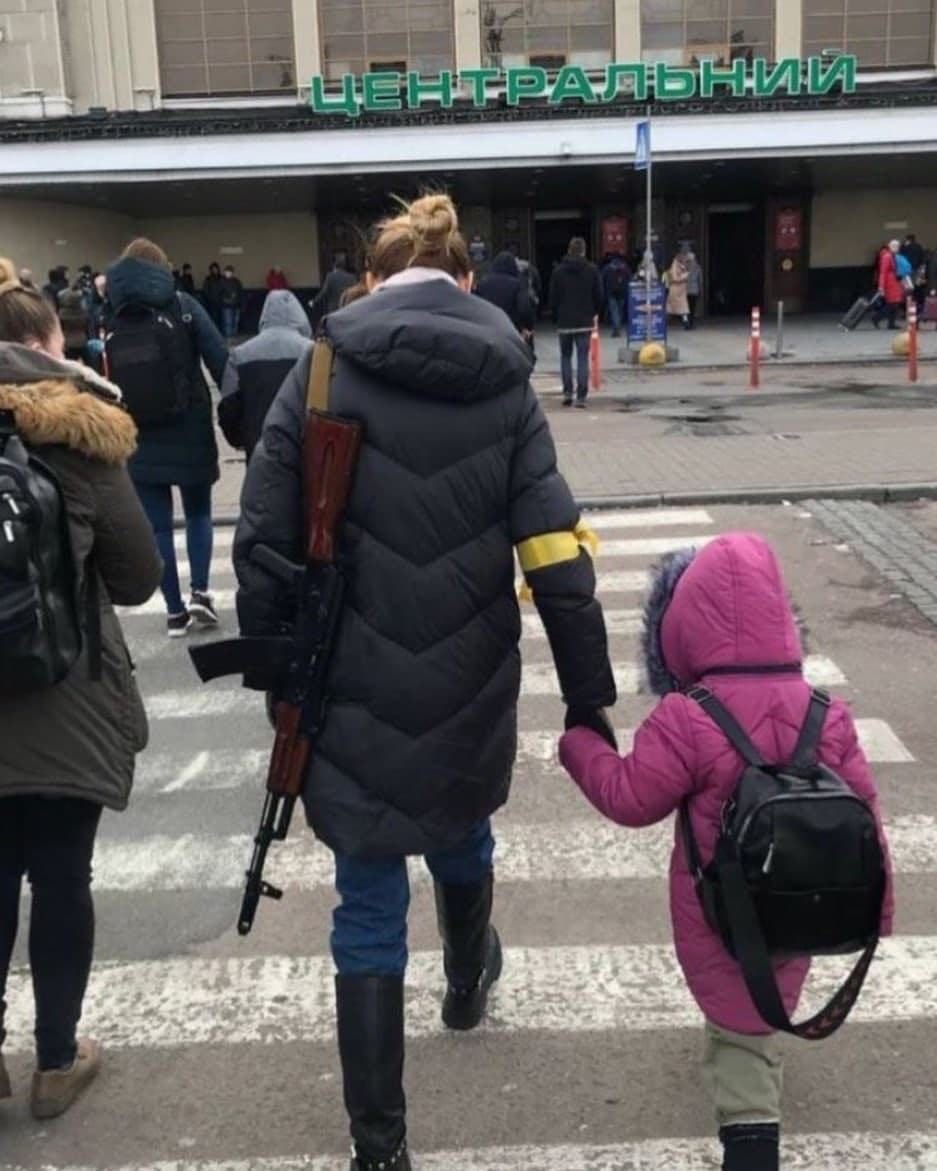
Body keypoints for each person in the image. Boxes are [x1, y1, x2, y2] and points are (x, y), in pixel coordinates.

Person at [234, 193, 615, 1171]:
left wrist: (278, 683)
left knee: (365, 902)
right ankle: (463, 980)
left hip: (343, 677)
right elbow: (555, 555)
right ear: (464, 279)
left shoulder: (321, 369)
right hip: (468, 667)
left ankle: (380, 1147)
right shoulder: (508, 386)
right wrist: (588, 696)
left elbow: (263, 541)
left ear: (374, 277)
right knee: (460, 827)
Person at [559, 532, 894, 1171]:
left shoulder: (690, 716)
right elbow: (867, 820)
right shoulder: (827, 712)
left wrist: (581, 745)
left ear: (683, 628)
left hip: (722, 911)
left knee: (742, 1037)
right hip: (809, 902)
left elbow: (630, 798)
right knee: (762, 1008)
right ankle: (754, 1058)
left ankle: (750, 1139)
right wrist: (878, 914)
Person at [0, 258, 162, 1120]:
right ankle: (57, 1060)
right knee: (61, 878)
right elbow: (137, 578)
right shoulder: (83, 433)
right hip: (66, 696)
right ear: (43, 343)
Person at [107, 237, 228, 635]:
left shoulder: (113, 314)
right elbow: (221, 360)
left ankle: (174, 612)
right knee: (198, 514)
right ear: (162, 268)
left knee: (158, 526)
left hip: (138, 431)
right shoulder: (184, 307)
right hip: (190, 426)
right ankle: (200, 594)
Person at [218, 288, 312, 459]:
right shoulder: (312, 351)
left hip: (258, 448)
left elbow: (228, 407)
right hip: (303, 447)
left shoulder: (239, 355)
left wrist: (241, 439)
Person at [549, 236, 603, 408]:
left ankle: (567, 392)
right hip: (584, 320)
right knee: (582, 358)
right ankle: (581, 395)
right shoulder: (592, 270)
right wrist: (595, 312)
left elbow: (553, 298)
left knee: (565, 357)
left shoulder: (558, 271)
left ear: (569, 250)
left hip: (565, 321)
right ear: (584, 251)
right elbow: (599, 295)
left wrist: (555, 315)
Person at [474, 250, 535, 337]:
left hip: (488, 328)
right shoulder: (517, 284)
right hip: (511, 329)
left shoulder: (483, 284)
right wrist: (528, 326)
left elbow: (476, 306)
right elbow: (524, 308)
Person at [309, 257, 356, 322]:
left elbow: (324, 292)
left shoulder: (330, 276)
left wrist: (314, 301)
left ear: (334, 266)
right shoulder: (352, 277)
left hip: (334, 308)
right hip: (348, 306)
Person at [872, 239, 904, 329]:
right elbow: (883, 272)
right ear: (891, 246)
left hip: (895, 282)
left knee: (895, 303)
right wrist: (881, 286)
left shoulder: (894, 256)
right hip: (889, 283)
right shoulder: (887, 256)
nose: (897, 248)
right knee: (892, 304)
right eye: (895, 246)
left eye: (898, 246)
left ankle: (891, 323)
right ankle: (876, 318)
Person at [56, 282, 91, 361]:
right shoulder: (83, 312)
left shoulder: (61, 314)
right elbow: (87, 326)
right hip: (82, 341)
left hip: (68, 343)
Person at [601, 252, 630, 338]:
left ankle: (616, 328)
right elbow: (630, 278)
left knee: (614, 311)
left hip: (611, 292)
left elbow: (602, 279)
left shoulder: (607, 268)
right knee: (620, 311)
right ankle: (617, 327)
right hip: (622, 292)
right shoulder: (625, 268)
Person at [666, 252, 691, 330]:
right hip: (675, 290)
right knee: (672, 308)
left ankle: (686, 323)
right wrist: (685, 276)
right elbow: (675, 278)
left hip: (681, 291)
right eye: (684, 259)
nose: (685, 260)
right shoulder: (674, 266)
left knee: (682, 308)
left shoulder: (681, 266)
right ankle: (664, 322)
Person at [220, 265, 244, 339]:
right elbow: (219, 294)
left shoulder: (237, 281)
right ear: (224, 272)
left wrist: (240, 303)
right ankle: (229, 339)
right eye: (227, 272)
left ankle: (234, 338)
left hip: (236, 305)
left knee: (235, 322)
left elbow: (240, 293)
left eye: (230, 272)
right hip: (226, 306)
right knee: (228, 323)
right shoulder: (221, 281)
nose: (228, 273)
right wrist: (226, 299)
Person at [202, 262, 224, 330]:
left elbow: (225, 289)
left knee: (222, 319)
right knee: (213, 319)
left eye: (216, 269)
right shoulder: (208, 279)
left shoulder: (222, 278)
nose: (215, 270)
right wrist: (210, 299)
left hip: (222, 302)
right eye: (213, 269)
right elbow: (205, 290)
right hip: (212, 302)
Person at [685, 249, 703, 327]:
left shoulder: (685, 267)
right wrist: (700, 290)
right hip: (694, 290)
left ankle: (686, 323)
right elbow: (700, 280)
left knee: (685, 308)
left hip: (685, 290)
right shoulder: (697, 267)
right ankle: (691, 323)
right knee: (692, 308)